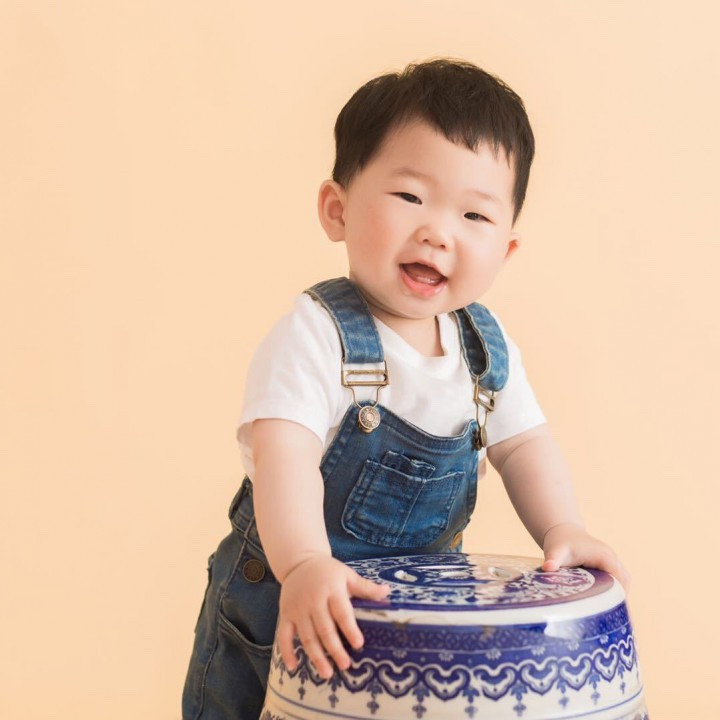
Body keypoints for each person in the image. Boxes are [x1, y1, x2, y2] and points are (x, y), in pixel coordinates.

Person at [181, 57, 631, 720]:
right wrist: (303, 563)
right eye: (410, 198)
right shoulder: (317, 335)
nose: (437, 232)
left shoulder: (484, 350)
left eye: (474, 215)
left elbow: (524, 444)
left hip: (409, 617)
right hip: (289, 597)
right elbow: (285, 456)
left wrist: (562, 527)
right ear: (337, 209)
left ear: (506, 250)